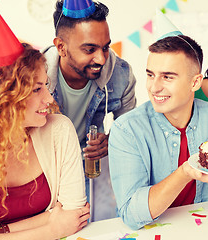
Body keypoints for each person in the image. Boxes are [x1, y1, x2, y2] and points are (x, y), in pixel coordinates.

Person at [108, 35, 208, 230]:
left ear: (195, 83)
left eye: (167, 77)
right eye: (150, 75)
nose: (154, 87)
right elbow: (131, 214)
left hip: (205, 227)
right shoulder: (127, 129)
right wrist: (185, 172)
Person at [0, 42, 89, 239]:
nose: (49, 98)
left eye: (45, 85)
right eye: (36, 89)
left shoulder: (59, 131)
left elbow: (74, 215)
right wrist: (52, 229)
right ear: (3, 97)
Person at [43, 0, 136, 220]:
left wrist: (113, 140)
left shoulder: (121, 74)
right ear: (61, 47)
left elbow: (132, 128)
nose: (102, 58)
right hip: (48, 170)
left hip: (93, 170)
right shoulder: (35, 77)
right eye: (90, 49)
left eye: (105, 47)